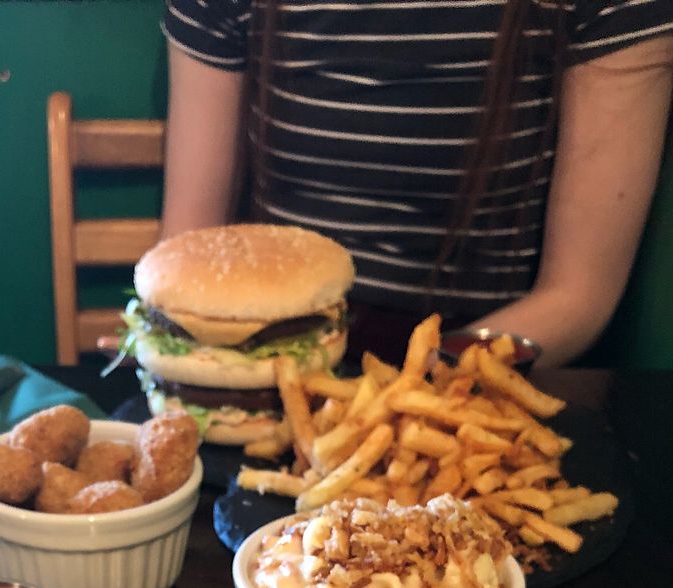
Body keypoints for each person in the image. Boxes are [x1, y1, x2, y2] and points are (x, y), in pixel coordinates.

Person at [159, 0, 673, 365]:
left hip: (483, 366)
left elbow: (578, 295)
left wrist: (414, 387)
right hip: (267, 359)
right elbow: (185, 254)